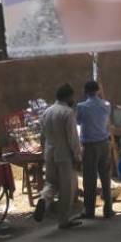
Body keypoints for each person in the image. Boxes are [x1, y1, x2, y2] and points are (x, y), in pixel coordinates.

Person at [35, 83, 83, 229]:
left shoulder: (47, 112)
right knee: (67, 188)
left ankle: (44, 198)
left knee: (51, 183)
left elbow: (42, 136)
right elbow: (73, 138)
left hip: (49, 152)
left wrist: (45, 151)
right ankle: (63, 220)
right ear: (68, 96)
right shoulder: (67, 112)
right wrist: (77, 157)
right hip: (64, 155)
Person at [75, 80, 114, 219]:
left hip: (90, 145)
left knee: (89, 179)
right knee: (105, 177)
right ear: (98, 90)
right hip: (104, 143)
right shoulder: (106, 105)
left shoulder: (81, 107)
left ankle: (89, 210)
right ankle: (108, 208)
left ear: (85, 92)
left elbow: (78, 122)